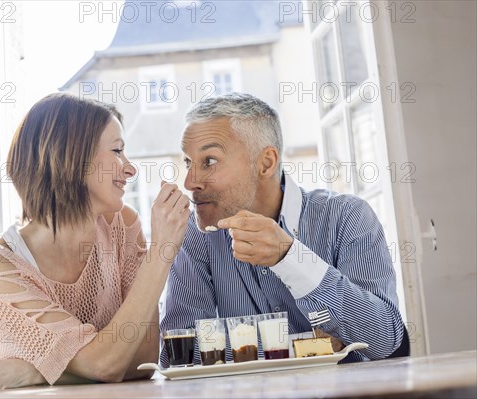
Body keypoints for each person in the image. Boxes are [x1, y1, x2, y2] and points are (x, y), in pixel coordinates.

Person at [0, 93, 190, 390]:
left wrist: (35, 372)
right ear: (72, 160)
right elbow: (106, 366)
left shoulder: (124, 226)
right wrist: (161, 252)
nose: (130, 168)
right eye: (117, 151)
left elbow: (141, 361)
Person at [160, 92, 406, 366]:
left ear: (265, 163)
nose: (190, 182)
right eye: (187, 162)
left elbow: (386, 342)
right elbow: (181, 355)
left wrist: (290, 257)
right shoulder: (197, 236)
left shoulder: (347, 217)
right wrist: (308, 345)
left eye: (210, 161)